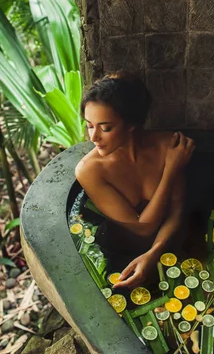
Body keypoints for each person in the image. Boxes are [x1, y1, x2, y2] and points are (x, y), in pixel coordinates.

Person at [75, 71, 195, 290]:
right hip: (118, 256)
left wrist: (155, 253)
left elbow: (177, 210)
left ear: (131, 124)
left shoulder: (168, 145)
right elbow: (142, 228)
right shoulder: (89, 170)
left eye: (106, 127)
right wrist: (171, 170)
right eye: (89, 125)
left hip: (168, 244)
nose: (93, 137)